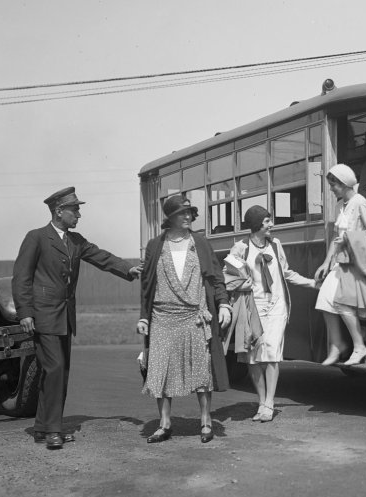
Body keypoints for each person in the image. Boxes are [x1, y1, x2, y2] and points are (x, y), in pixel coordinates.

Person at [12, 187, 142, 450]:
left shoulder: (76, 240)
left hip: (64, 317)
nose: (79, 215)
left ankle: (43, 427)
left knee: (60, 372)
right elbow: (21, 278)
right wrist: (24, 312)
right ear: (59, 211)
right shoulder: (36, 238)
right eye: (75, 209)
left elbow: (101, 257)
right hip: (43, 315)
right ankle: (53, 431)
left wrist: (128, 268)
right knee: (54, 369)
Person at [137, 195, 232, 444]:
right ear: (170, 218)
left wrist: (223, 304)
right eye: (183, 213)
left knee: (201, 371)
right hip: (162, 317)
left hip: (194, 316)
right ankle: (165, 423)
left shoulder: (200, 242)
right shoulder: (155, 245)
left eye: (190, 212)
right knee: (161, 370)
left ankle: (206, 421)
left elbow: (215, 278)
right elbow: (147, 284)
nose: (188, 216)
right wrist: (143, 318)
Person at [223, 205, 315, 422]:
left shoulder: (275, 244)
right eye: (266, 221)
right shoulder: (241, 247)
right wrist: (241, 283)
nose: (271, 225)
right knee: (253, 359)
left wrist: (311, 282)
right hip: (251, 308)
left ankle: (269, 403)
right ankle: (261, 400)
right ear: (256, 225)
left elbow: (286, 272)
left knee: (272, 354)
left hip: (276, 307)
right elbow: (226, 277)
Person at [314, 163, 366, 366]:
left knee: (341, 303)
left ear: (344, 183)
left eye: (334, 184)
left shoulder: (361, 203)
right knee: (324, 300)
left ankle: (359, 345)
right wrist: (326, 262)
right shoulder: (340, 205)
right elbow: (336, 237)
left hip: (356, 262)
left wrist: (348, 238)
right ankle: (339, 345)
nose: (332, 188)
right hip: (342, 261)